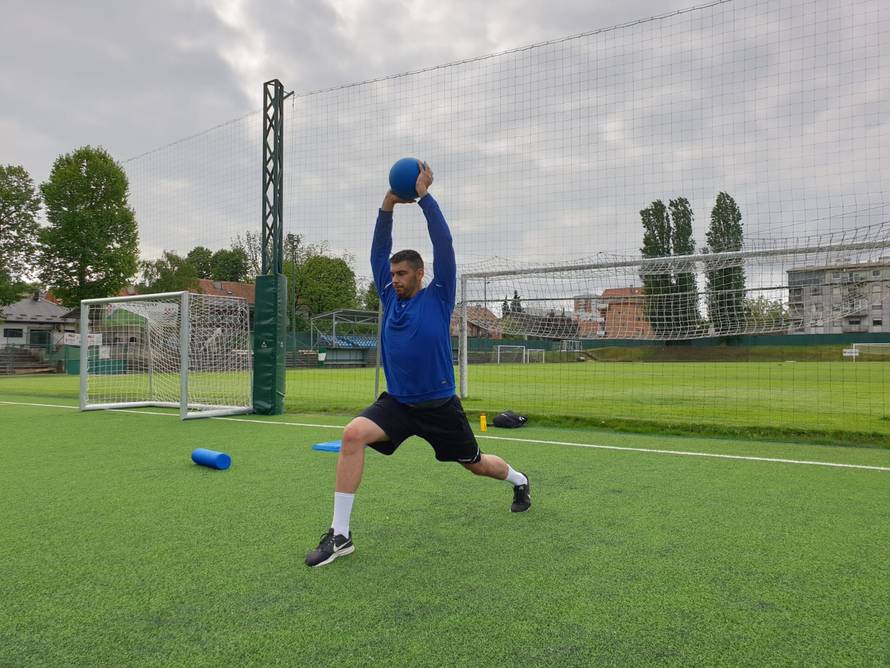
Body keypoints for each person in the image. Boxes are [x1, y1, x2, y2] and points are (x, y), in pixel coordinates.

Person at [305, 161, 531, 568]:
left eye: (402, 273)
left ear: (420, 274)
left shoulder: (440, 295)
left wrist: (425, 198)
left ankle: (519, 481)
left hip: (440, 406)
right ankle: (340, 535)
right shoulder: (389, 297)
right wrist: (388, 203)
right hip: (399, 405)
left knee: (476, 465)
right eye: (391, 273)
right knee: (352, 435)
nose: (394, 279)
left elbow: (444, 245)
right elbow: (378, 249)